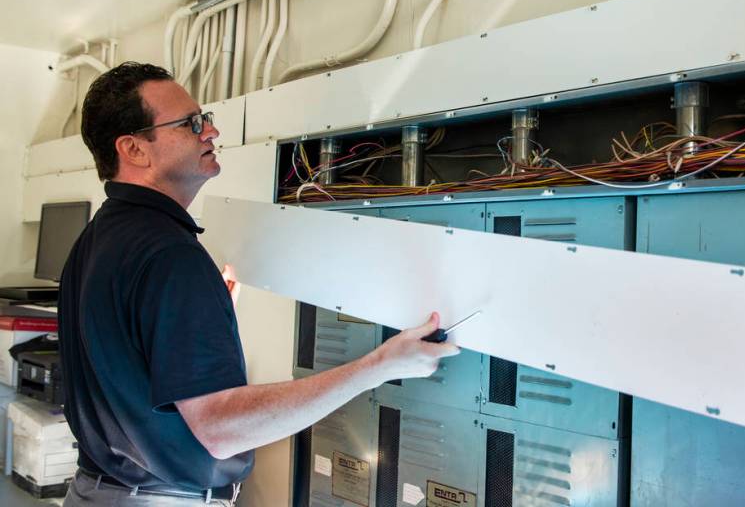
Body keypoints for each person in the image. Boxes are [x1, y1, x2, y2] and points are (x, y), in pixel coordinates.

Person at [58, 62, 459, 505]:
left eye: (205, 118)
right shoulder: (170, 254)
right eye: (191, 123)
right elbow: (220, 429)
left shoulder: (98, 238)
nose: (210, 131)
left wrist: (190, 316)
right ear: (134, 149)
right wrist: (380, 366)